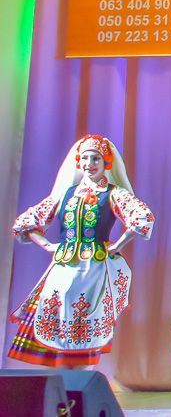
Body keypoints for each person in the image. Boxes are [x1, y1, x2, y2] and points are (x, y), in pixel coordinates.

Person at [8, 135, 155, 367]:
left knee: (85, 324)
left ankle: (82, 380)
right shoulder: (66, 193)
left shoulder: (114, 193)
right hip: (63, 269)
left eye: (95, 158)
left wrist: (117, 245)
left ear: (106, 162)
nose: (89, 163)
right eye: (85, 158)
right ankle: (66, 383)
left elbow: (143, 217)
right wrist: (47, 245)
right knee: (58, 322)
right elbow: (26, 222)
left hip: (93, 270)